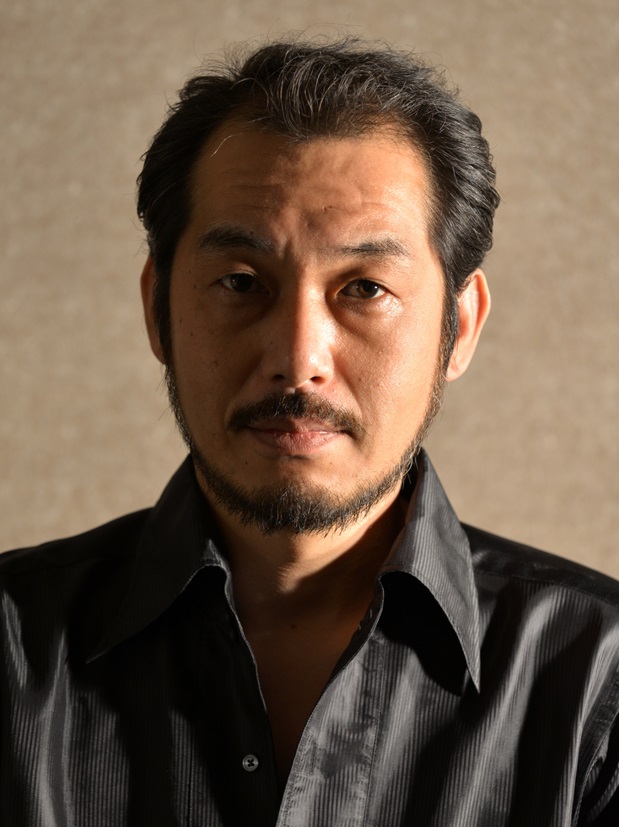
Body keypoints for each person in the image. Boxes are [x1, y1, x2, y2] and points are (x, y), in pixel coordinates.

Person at [1, 37, 618, 827]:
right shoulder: (12, 653)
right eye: (239, 283)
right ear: (157, 308)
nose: (297, 359)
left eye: (364, 288)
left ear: (458, 327)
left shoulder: (597, 685)